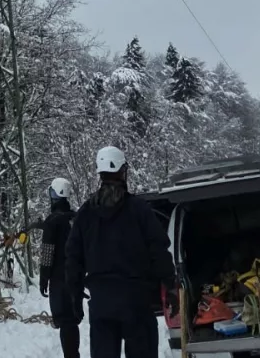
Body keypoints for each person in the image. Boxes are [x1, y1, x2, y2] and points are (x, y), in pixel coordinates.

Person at [65, 146, 177, 358]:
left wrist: (75, 296)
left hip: (101, 304)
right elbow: (158, 249)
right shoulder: (140, 210)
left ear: (100, 173)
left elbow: (73, 257)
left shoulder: (85, 214)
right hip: (136, 301)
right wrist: (169, 285)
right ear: (123, 171)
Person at [40, 178, 81, 358]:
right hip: (76, 276)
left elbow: (47, 252)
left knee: (64, 321)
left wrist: (44, 277)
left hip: (58, 278)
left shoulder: (52, 221)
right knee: (72, 320)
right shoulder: (76, 218)